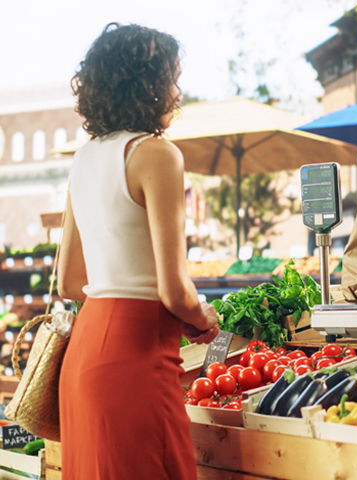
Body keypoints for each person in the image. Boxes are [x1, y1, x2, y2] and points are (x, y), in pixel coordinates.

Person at [56, 23, 219, 480]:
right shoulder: (156, 154)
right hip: (135, 362)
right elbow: (174, 289)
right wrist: (203, 319)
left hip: (85, 358)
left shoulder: (84, 158)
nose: (177, 92)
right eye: (172, 78)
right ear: (146, 83)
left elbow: (69, 281)